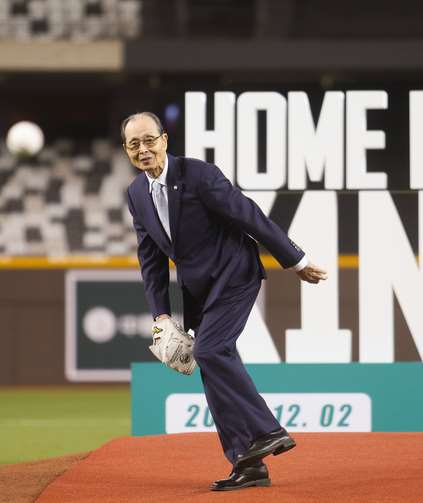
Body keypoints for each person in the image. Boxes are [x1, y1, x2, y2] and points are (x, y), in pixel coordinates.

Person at [122, 112, 328, 491]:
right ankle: (246, 462)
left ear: (165, 140)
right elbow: (150, 257)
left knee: (212, 351)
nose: (144, 149)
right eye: (134, 144)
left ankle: (267, 430)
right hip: (198, 289)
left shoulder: (199, 174)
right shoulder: (137, 194)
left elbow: (247, 215)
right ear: (127, 150)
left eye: (149, 139)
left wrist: (294, 260)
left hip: (235, 274)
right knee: (213, 363)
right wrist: (161, 316)